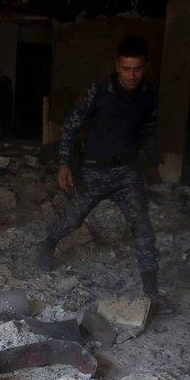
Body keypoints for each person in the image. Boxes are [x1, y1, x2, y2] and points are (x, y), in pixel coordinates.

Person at [36, 36, 163, 302]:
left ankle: (151, 291)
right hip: (94, 171)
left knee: (143, 228)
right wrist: (64, 165)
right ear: (117, 66)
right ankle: (48, 244)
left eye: (137, 69)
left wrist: (152, 163)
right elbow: (70, 128)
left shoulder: (148, 94)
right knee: (72, 219)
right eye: (126, 68)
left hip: (127, 172)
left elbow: (149, 130)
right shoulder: (99, 91)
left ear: (145, 68)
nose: (131, 75)